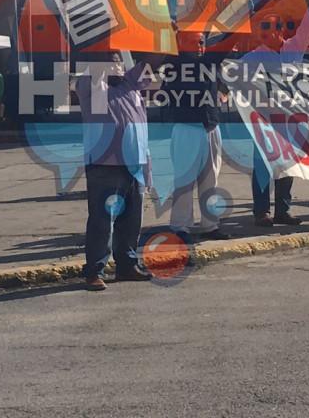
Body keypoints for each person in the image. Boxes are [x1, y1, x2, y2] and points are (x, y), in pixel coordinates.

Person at [241, 0, 309, 227]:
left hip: (290, 120)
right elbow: (234, 79)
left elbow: (308, 25)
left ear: (279, 29)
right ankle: (261, 212)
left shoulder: (294, 50)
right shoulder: (250, 59)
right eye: (262, 28)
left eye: (270, 27)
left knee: (287, 167)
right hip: (262, 121)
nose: (266, 33)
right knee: (262, 167)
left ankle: (283, 210)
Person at [76, 51, 159, 291]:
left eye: (118, 61)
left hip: (134, 162)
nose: (116, 65)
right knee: (102, 221)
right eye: (110, 61)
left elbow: (150, 63)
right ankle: (94, 270)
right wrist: (103, 46)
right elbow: (96, 72)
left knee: (132, 219)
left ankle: (126, 265)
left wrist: (162, 41)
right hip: (104, 164)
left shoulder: (130, 83)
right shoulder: (91, 85)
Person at [164, 29, 230, 241]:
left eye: (202, 42)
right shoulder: (174, 64)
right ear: (182, 43)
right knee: (185, 180)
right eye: (197, 43)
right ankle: (180, 226)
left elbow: (222, 86)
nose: (201, 47)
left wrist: (222, 94)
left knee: (210, 179)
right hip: (187, 127)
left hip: (210, 126)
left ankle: (210, 224)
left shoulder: (209, 63)